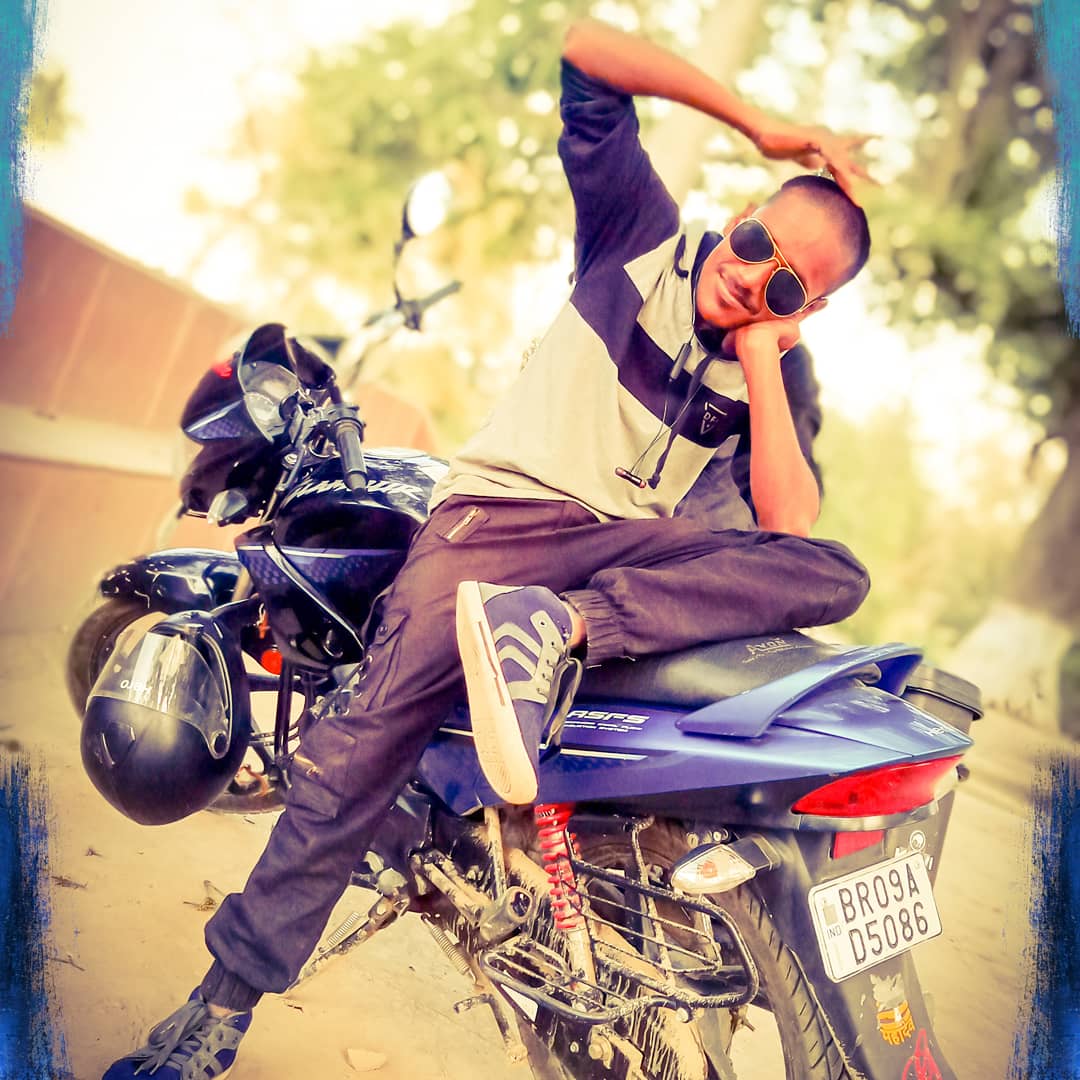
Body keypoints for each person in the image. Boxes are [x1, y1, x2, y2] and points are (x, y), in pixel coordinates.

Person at [103, 17, 874, 1079]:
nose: (754, 280)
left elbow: (789, 527)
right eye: (756, 247)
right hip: (498, 522)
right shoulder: (638, 237)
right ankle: (220, 1005)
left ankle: (554, 631)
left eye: (787, 286)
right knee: (363, 744)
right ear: (736, 217)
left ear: (809, 311)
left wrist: (768, 356)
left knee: (836, 571)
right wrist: (762, 124)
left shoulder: (771, 369)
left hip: (608, 563)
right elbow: (586, 45)